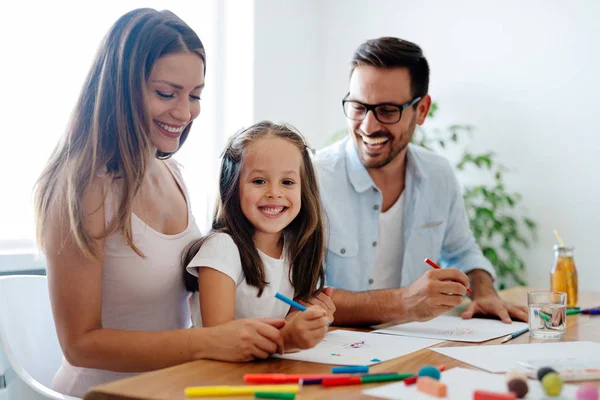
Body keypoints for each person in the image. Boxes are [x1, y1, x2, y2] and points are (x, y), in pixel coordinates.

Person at [34, 9, 285, 397]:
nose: (184, 113)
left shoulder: (172, 173)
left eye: (195, 95)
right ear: (122, 88)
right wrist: (208, 341)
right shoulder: (83, 188)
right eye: (166, 94)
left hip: (167, 387)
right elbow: (80, 345)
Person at [314, 37, 528, 326]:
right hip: (335, 350)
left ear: (422, 110)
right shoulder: (313, 179)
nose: (368, 126)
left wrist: (484, 291)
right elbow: (303, 297)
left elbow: (462, 251)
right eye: (358, 107)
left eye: (387, 111)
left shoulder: (438, 175)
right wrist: (404, 303)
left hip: (415, 347)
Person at [183, 121, 332, 352]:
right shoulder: (221, 249)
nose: (274, 192)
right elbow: (219, 342)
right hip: (216, 381)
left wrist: (309, 321)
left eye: (288, 182)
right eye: (259, 181)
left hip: (266, 375)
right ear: (231, 186)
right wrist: (287, 337)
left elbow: (288, 321)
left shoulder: (296, 248)